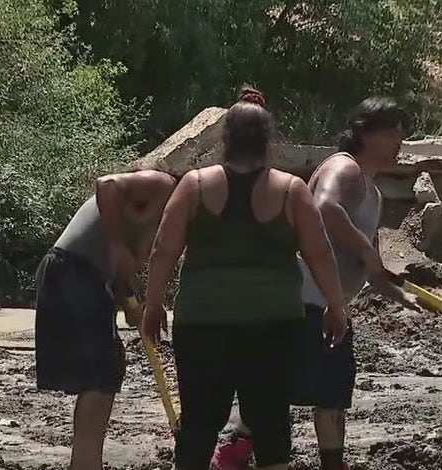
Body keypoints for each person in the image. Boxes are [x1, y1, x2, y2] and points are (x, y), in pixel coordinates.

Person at [141, 87, 349, 470]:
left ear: (225, 139)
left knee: (199, 424)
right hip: (272, 323)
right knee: (270, 426)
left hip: (203, 322)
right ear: (268, 140)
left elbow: (163, 251)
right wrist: (336, 305)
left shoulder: (196, 185)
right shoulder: (291, 190)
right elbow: (319, 253)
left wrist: (153, 304)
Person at [212, 97, 417, 470]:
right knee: (284, 387)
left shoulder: (373, 193)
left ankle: (324, 462)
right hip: (300, 300)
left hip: (329, 306)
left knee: (332, 393)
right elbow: (324, 208)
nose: (399, 142)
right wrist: (364, 251)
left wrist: (398, 292)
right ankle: (233, 449)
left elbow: (370, 264)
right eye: (391, 133)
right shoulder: (344, 167)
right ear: (363, 132)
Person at [34, 170, 176, 470]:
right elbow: (106, 184)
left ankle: (85, 462)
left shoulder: (162, 224)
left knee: (106, 368)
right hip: (72, 271)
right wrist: (118, 245)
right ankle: (85, 465)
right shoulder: (163, 187)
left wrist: (133, 305)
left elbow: (119, 272)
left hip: (83, 276)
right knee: (101, 371)